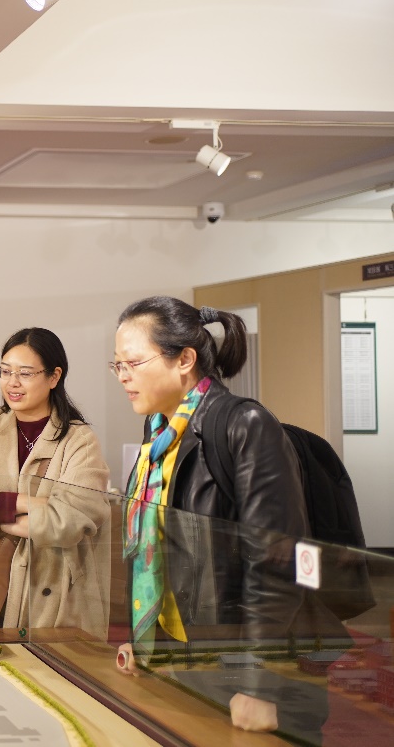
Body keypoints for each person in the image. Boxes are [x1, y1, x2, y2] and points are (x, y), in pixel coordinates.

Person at [112, 296, 322, 735]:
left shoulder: (245, 424)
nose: (123, 376)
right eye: (117, 365)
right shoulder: (158, 431)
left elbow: (278, 561)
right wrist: (148, 644)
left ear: (184, 360)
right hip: (185, 657)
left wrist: (256, 683)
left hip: (237, 663)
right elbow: (158, 553)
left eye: (133, 363)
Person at [0, 327, 111, 637]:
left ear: (54, 376)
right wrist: (28, 504)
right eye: (5, 371)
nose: (12, 383)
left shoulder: (79, 440)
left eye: (24, 373)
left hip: (54, 591)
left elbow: (67, 521)